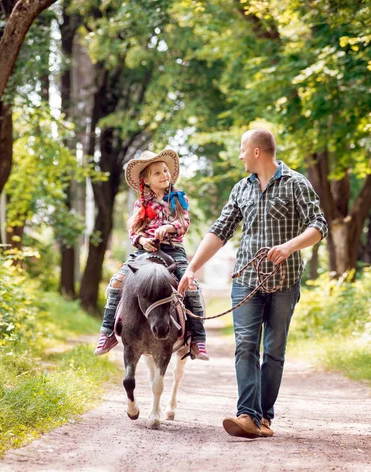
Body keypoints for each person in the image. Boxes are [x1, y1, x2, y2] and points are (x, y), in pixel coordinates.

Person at [178, 129, 327, 438]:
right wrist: (192, 268)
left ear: (257, 151)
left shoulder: (296, 184)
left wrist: (288, 247)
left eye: (243, 150)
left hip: (285, 282)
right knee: (246, 345)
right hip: (246, 282)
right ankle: (247, 415)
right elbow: (220, 231)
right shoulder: (241, 189)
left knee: (273, 350)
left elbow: (318, 225)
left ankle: (264, 418)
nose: (240, 156)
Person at [94, 149, 209, 361]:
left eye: (165, 170)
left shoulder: (178, 199)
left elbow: (184, 222)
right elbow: (133, 231)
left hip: (174, 252)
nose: (164, 174)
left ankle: (198, 338)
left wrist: (169, 228)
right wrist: (143, 241)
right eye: (157, 173)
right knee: (116, 283)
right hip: (144, 254)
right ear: (146, 180)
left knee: (191, 285)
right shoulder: (141, 204)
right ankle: (107, 332)